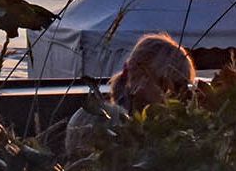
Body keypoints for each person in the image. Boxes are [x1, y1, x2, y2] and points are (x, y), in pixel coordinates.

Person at [63, 32, 196, 160]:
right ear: (132, 73)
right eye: (165, 85)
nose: (176, 96)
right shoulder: (96, 120)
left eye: (182, 88)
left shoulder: (87, 117)